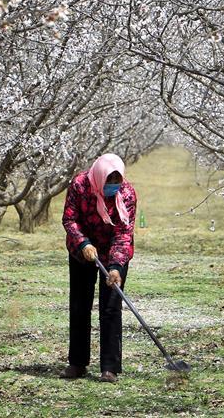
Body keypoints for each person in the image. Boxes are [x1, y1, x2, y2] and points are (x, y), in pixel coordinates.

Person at [59, 153, 136, 383]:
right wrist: (83, 243)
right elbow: (69, 219)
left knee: (111, 307)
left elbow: (123, 233)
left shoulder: (127, 194)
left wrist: (115, 268)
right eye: (108, 182)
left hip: (114, 251)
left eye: (116, 182)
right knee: (80, 305)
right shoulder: (81, 185)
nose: (112, 187)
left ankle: (110, 367)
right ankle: (77, 363)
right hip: (83, 251)